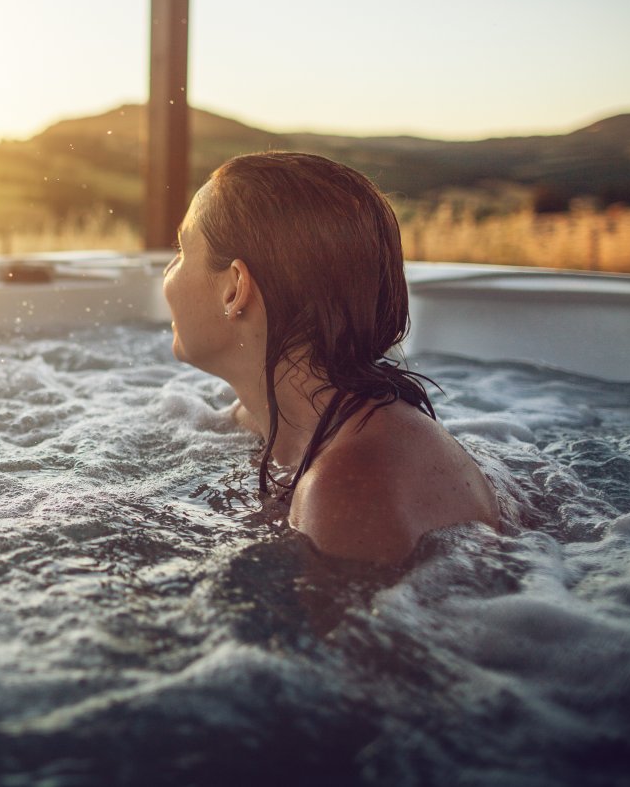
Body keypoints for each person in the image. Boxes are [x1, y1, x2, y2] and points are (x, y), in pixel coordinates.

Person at [163, 151, 499, 566]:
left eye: (180, 250)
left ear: (234, 289)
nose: (167, 275)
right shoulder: (260, 420)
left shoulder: (349, 490)